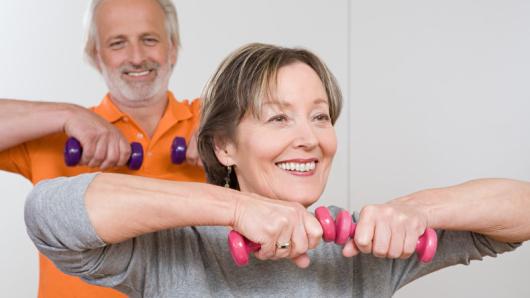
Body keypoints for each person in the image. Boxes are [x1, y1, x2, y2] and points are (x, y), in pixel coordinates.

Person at [25, 43, 530, 297]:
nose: (308, 137)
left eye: (319, 116)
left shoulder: (363, 248)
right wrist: (239, 208)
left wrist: (415, 211)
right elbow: (48, 215)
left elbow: (521, 210)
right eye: (277, 117)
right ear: (223, 145)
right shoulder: (173, 251)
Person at [0, 0, 204, 297]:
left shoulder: (214, 123)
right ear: (95, 56)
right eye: (117, 43)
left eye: (149, 40)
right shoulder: (56, 133)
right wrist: (67, 114)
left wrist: (229, 120)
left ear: (172, 48)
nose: (136, 57)